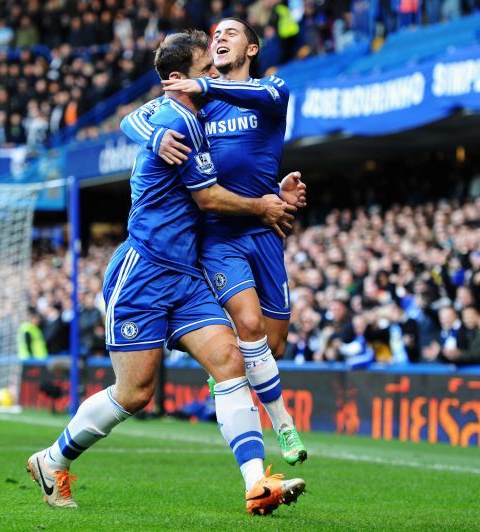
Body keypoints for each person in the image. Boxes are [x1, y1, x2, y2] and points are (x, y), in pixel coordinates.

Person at [26, 30, 305, 515]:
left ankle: (257, 484)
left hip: (187, 275)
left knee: (229, 361)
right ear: (179, 80)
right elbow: (208, 198)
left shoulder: (197, 113)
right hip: (144, 273)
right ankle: (52, 460)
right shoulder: (178, 120)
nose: (213, 76)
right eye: (205, 70)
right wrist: (263, 205)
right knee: (135, 394)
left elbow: (140, 117)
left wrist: (271, 186)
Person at [120, 17, 309, 466]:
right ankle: (283, 425)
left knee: (272, 345)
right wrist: (158, 133)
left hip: (265, 233)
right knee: (247, 325)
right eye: (216, 34)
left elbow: (260, 95)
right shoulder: (198, 104)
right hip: (219, 235)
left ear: (252, 49)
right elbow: (133, 118)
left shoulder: (270, 92)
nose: (220, 37)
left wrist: (278, 195)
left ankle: (226, 374)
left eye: (231, 33)